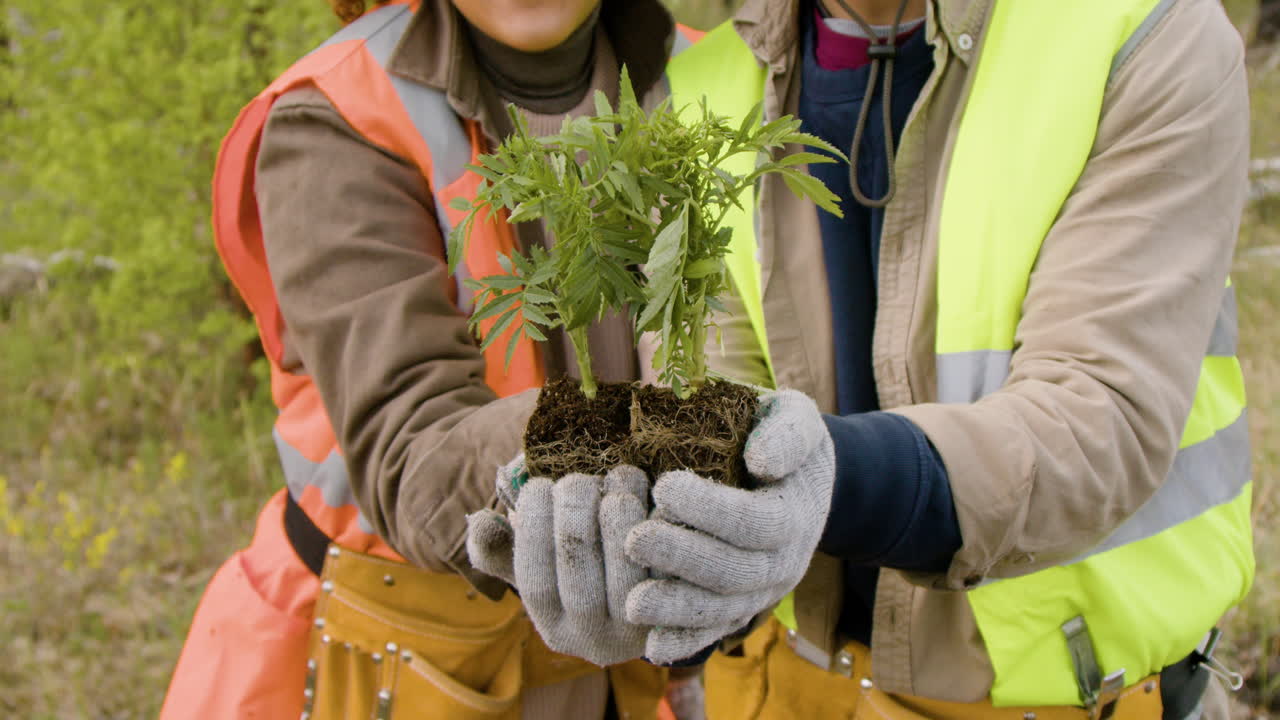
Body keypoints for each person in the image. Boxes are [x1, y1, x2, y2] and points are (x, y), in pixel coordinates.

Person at [527, 0, 1251, 718]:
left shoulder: (1139, 31)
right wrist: (660, 566)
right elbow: (715, 394)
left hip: (1070, 695)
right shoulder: (703, 85)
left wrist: (823, 477)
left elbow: (1096, 423)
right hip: (791, 686)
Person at [158, 1, 701, 718]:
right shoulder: (340, 112)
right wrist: (683, 441)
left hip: (633, 664)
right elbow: (418, 469)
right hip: (391, 661)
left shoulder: (711, 78)